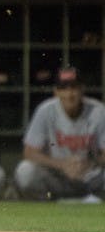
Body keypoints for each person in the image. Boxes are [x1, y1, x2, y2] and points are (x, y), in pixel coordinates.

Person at [14, 67, 105, 202]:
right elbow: (29, 152)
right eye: (64, 88)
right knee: (25, 171)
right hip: (57, 176)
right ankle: (50, 206)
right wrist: (62, 164)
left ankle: (93, 201)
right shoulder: (45, 110)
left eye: (74, 88)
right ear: (56, 92)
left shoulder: (98, 111)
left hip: (89, 177)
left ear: (82, 90)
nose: (69, 94)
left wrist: (88, 164)